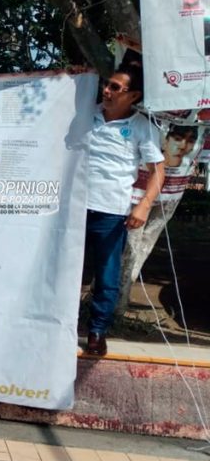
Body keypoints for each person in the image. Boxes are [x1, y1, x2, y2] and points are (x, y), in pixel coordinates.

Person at [83, 65, 165, 356]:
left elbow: (158, 172)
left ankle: (97, 331)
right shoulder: (85, 113)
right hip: (73, 209)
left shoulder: (143, 127)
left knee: (107, 276)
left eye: (115, 87)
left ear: (133, 96)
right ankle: (57, 325)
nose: (107, 90)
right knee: (63, 270)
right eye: (107, 84)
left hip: (111, 212)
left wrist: (143, 206)